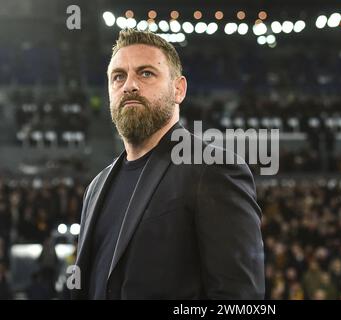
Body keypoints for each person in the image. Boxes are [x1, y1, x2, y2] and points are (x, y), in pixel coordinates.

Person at [70, 29, 265, 299]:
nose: (129, 85)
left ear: (178, 89)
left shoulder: (213, 169)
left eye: (146, 73)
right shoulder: (96, 187)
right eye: (118, 77)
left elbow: (238, 300)